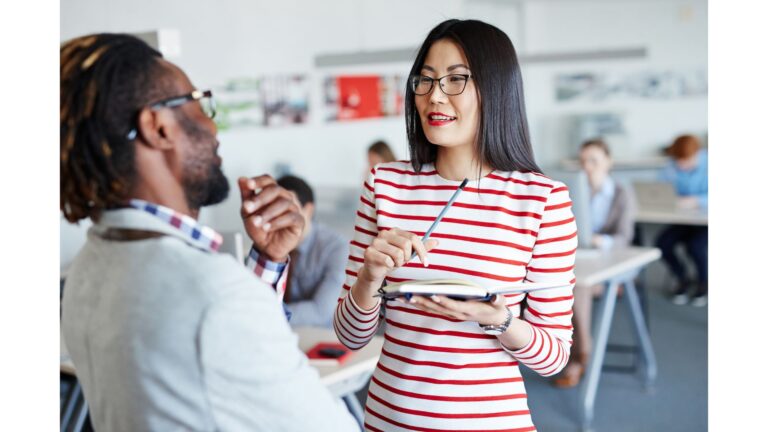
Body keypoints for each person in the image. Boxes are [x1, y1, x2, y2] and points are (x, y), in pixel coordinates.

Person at [59, 33, 357, 431]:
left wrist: (268, 260)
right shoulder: (212, 292)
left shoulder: (88, 268)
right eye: (200, 102)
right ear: (159, 127)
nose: (212, 126)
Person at [333, 20, 577, 431]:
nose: (434, 96)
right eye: (424, 81)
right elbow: (349, 336)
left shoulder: (542, 200)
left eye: (456, 79)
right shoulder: (386, 185)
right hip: (388, 420)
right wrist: (369, 277)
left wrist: (498, 321)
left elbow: (553, 358)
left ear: (496, 90)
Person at [552, 138, 636, 388]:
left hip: (611, 263)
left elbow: (625, 237)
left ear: (608, 162)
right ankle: (564, 351)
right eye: (583, 161)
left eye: (594, 161)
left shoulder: (622, 193)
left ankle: (580, 354)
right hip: (581, 259)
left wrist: (603, 241)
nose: (587, 167)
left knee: (577, 286)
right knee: (563, 283)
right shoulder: (573, 190)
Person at [276, 174, 348, 328]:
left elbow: (321, 311)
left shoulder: (335, 247)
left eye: (286, 208)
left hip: (317, 335)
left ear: (308, 210)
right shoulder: (271, 243)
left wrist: (268, 315)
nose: (278, 216)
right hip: (276, 333)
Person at [657, 134, 708, 306]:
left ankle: (704, 283)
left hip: (705, 222)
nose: (681, 165)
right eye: (679, 160)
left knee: (695, 246)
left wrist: (696, 200)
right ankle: (683, 278)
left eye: (686, 160)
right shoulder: (672, 166)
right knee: (663, 243)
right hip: (683, 219)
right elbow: (661, 189)